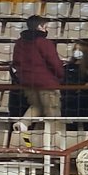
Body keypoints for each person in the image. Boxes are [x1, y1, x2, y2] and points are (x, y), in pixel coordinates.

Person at [9, 15, 64, 149]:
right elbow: (54, 63)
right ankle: (56, 145)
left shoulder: (19, 43)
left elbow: (15, 62)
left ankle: (23, 123)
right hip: (46, 83)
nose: (46, 29)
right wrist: (61, 76)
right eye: (45, 26)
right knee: (53, 112)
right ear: (40, 27)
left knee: (36, 105)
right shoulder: (44, 43)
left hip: (28, 82)